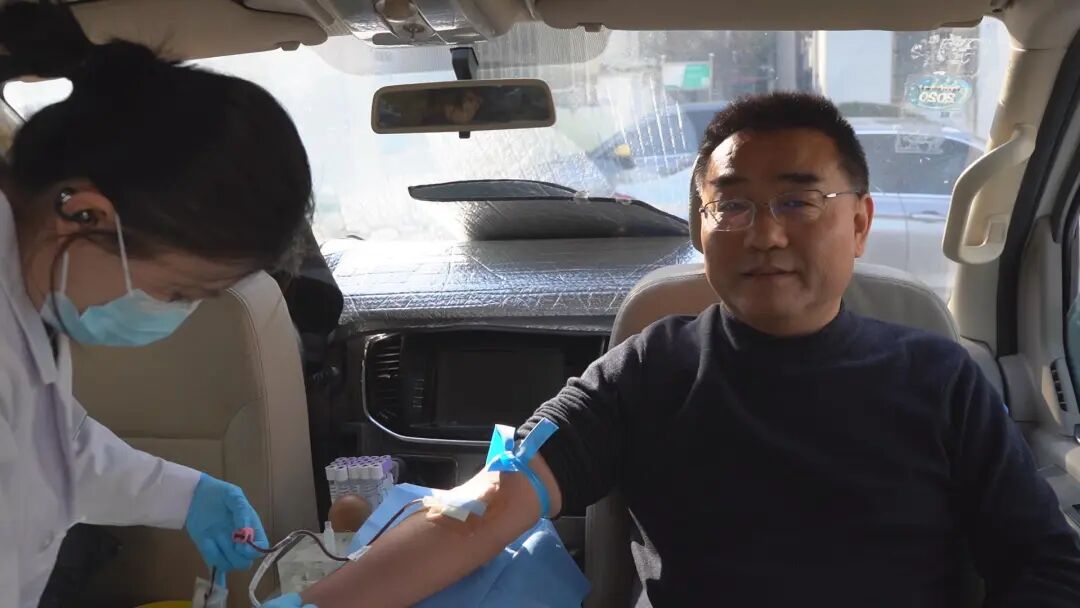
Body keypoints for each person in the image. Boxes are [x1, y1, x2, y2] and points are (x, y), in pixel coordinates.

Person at [298, 92, 1080, 607]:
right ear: (700, 231)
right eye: (731, 206)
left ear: (860, 223)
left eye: (798, 201)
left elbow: (1043, 560)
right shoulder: (648, 369)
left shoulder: (938, 377)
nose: (764, 234)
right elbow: (488, 503)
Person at [0, 3, 316, 607]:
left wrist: (187, 494)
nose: (173, 315)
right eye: (177, 292)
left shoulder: (27, 301)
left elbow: (52, 448)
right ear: (87, 215)